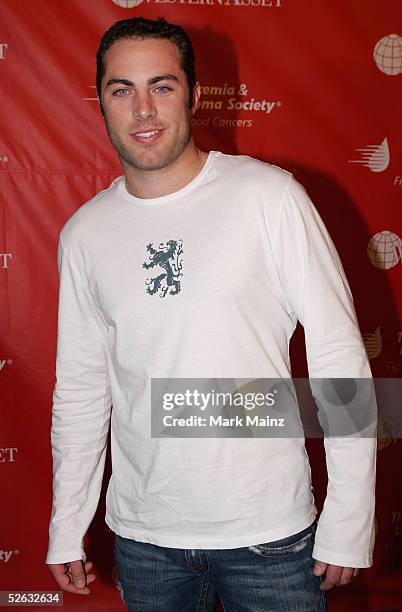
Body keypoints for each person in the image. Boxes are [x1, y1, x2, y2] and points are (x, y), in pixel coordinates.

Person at [46, 16, 377, 612]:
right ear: (100, 101)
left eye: (162, 86)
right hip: (145, 540)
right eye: (122, 89)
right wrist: (67, 520)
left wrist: (350, 518)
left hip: (269, 537)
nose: (143, 109)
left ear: (195, 95)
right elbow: (81, 386)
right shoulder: (85, 234)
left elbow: (339, 357)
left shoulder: (269, 198)